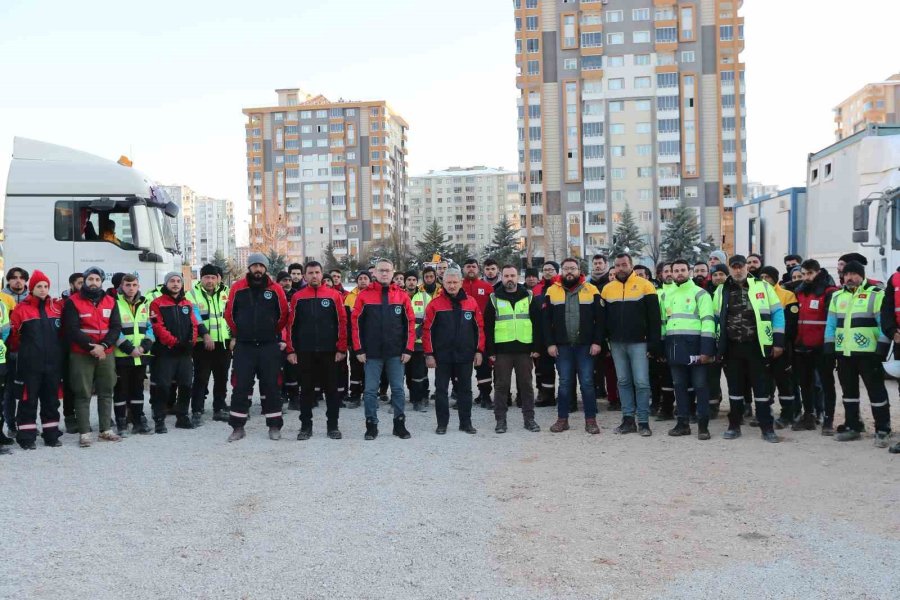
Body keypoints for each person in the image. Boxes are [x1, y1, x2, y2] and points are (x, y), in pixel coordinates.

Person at [712, 255, 785, 443]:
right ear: (730, 269)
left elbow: (777, 313)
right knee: (735, 389)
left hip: (757, 346)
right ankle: (734, 425)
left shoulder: (763, 287)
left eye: (741, 266)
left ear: (746, 267)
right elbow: (714, 319)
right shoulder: (721, 290)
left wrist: (778, 341)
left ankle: (767, 428)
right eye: (734, 267)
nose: (738, 270)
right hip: (732, 347)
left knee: (761, 389)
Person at [825, 260, 892, 448]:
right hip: (844, 354)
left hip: (869, 354)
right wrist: (829, 347)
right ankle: (852, 426)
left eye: (854, 274)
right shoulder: (837, 296)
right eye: (847, 274)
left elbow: (883, 324)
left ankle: (882, 429)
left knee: (876, 392)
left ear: (861, 276)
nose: (850, 278)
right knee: (849, 393)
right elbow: (831, 324)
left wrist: (882, 348)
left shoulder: (875, 294)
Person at [225, 253, 290, 442]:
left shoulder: (276, 289)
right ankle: (238, 427)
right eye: (255, 266)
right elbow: (230, 315)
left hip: (268, 345)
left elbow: (283, 315)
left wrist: (270, 331)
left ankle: (274, 426)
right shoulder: (237, 288)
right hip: (244, 346)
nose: (258, 269)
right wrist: (242, 333)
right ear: (249, 267)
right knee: (240, 386)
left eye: (261, 266)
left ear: (266, 268)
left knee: (271, 385)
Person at [351, 259, 415, 440]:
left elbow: (410, 323)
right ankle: (371, 425)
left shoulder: (402, 296)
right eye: (381, 271)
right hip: (371, 354)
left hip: (396, 353)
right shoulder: (364, 296)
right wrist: (359, 349)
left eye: (388, 270)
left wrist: (408, 349)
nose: (384, 274)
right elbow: (355, 324)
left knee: (398, 390)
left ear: (393, 272)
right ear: (375, 274)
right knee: (370, 391)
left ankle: (399, 424)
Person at [601, 254, 661, 437]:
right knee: (623, 381)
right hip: (617, 343)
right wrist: (605, 342)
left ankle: (643, 421)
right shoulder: (607, 289)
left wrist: (653, 344)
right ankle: (628, 420)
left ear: (631, 265)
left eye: (624, 264)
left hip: (639, 343)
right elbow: (603, 319)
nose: (621, 268)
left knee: (641, 382)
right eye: (617, 265)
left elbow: (654, 318)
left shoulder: (646, 285)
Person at [286, 261, 347, 440]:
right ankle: (305, 426)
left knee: (331, 390)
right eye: (310, 273)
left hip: (330, 351)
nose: (314, 276)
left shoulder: (334, 296)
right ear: (305, 276)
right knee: (306, 390)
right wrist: (291, 350)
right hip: (305, 352)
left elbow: (342, 323)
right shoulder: (298, 297)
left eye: (317, 272)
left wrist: (341, 348)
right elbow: (291, 326)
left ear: (322, 274)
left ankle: (333, 426)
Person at [63, 266, 122, 448]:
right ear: (85, 281)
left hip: (106, 353)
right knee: (82, 393)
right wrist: (92, 347)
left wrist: (103, 346)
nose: (93, 283)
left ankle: (105, 430)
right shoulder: (73, 301)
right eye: (90, 279)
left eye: (97, 280)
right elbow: (71, 329)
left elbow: (115, 327)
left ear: (101, 282)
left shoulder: (111, 301)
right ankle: (85, 432)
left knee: (106, 392)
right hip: (82, 354)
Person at [542, 258, 603, 434]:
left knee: (587, 383)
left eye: (573, 269)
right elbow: (546, 322)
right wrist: (550, 344)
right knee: (565, 383)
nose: (569, 272)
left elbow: (600, 320)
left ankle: (590, 420)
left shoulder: (591, 290)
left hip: (586, 346)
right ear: (561, 271)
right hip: (562, 346)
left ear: (579, 270)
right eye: (566, 268)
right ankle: (562, 420)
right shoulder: (552, 291)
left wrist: (597, 342)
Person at [422, 267, 484, 435]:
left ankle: (466, 423)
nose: (451, 285)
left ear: (461, 283)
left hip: (465, 355)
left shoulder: (471, 302)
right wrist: (429, 354)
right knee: (441, 390)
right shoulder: (435, 304)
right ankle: (442, 424)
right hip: (442, 357)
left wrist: (479, 351)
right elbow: (426, 331)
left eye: (455, 282)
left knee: (465, 390)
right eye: (448, 282)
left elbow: (479, 328)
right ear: (443, 283)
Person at [660, 260, 716, 440]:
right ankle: (682, 423)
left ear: (689, 271)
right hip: (675, 347)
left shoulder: (700, 294)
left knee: (700, 386)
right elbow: (664, 324)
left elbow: (708, 322)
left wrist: (707, 350)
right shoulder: (667, 295)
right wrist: (663, 348)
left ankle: (703, 426)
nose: (679, 273)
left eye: (683, 270)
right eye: (676, 271)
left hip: (697, 347)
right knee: (679, 387)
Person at [9, 270, 64, 449]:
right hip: (30, 365)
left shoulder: (56, 308)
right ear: (31, 289)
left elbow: (62, 334)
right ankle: (26, 438)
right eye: (39, 286)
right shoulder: (21, 310)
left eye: (45, 286)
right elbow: (14, 338)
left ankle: (51, 436)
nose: (43, 289)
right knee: (28, 401)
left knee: (51, 401)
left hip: (52, 365)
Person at [484, 264, 542, 434]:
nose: (510, 279)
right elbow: (488, 326)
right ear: (502, 277)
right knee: (501, 386)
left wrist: (536, 347)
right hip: (502, 351)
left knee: (526, 385)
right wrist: (491, 351)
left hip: (524, 349)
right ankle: (500, 420)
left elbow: (537, 324)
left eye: (513, 276)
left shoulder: (529, 296)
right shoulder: (494, 298)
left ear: (518, 277)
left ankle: (529, 419)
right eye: (507, 276)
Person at [149, 272, 198, 433]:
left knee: (186, 385)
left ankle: (182, 415)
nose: (175, 284)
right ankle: (159, 418)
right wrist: (174, 343)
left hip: (184, 352)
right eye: (172, 281)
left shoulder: (187, 304)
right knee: (162, 386)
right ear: (166, 284)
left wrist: (191, 342)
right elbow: (158, 326)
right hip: (166, 352)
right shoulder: (157, 303)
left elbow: (194, 324)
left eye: (178, 281)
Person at [794, 259, 839, 434]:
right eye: (804, 274)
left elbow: (832, 320)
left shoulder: (828, 292)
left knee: (827, 384)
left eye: (809, 273)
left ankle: (828, 419)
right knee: (805, 383)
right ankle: (809, 416)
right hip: (802, 346)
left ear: (818, 272)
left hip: (822, 347)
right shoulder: (799, 292)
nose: (806, 277)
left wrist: (830, 345)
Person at [188, 264, 232, 423]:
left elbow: (233, 315)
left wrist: (234, 337)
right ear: (201, 278)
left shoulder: (226, 293)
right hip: (202, 344)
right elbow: (194, 317)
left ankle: (219, 407)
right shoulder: (192, 294)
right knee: (201, 377)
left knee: (222, 377)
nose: (210, 280)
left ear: (218, 278)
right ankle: (197, 409)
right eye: (207, 277)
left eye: (213, 277)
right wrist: (205, 335)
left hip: (223, 342)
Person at [758, 266, 800, 428]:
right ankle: (765, 412)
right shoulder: (757, 295)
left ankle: (787, 414)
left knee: (784, 381)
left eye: (767, 277)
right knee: (764, 381)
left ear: (775, 279)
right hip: (762, 346)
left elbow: (790, 324)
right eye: (761, 277)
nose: (764, 280)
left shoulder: (787, 295)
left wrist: (779, 343)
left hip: (781, 347)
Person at [113, 274, 154, 435]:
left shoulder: (144, 304)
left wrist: (144, 347)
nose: (131, 288)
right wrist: (130, 349)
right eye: (128, 285)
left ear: (138, 286)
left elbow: (150, 328)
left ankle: (137, 421)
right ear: (122, 286)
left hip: (141, 356)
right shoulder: (115, 303)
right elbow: (114, 330)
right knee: (121, 391)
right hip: (123, 356)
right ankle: (121, 423)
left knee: (138, 390)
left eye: (134, 285)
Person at [462, 258, 496, 409]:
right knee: (461, 365)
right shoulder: (457, 285)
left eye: (473, 267)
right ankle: (462, 396)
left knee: (483, 366)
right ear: (463, 269)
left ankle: (485, 395)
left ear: (478, 269)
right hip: (461, 332)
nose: (471, 269)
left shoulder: (487, 287)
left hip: (482, 332)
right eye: (468, 266)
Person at [2, 266, 29, 434]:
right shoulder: (2, 298)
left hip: (28, 351)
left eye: (21, 277)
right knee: (9, 391)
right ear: (8, 280)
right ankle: (11, 424)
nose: (17, 280)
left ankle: (25, 423)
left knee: (28, 389)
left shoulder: (32, 298)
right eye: (13, 277)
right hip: (7, 351)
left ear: (26, 280)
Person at [534, 260, 559, 407]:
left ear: (557, 271)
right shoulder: (538, 290)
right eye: (545, 269)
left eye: (551, 269)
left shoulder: (561, 286)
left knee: (564, 369)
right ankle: (547, 396)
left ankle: (568, 397)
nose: (548, 272)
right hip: (543, 336)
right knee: (545, 369)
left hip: (560, 335)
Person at [343, 271, 370, 409]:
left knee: (369, 368)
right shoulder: (349, 297)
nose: (363, 280)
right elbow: (346, 321)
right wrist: (348, 340)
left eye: (366, 278)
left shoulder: (373, 295)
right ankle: (354, 395)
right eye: (360, 278)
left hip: (370, 339)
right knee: (355, 367)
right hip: (355, 338)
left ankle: (369, 395)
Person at [408, 269, 433, 412]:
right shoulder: (399, 295)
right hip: (403, 342)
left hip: (419, 342)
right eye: (408, 280)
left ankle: (419, 399)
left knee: (419, 372)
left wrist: (416, 334)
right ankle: (407, 397)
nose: (411, 282)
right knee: (404, 372)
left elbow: (428, 318)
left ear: (417, 282)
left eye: (413, 280)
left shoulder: (425, 296)